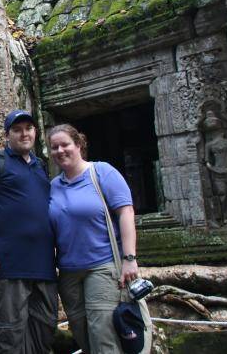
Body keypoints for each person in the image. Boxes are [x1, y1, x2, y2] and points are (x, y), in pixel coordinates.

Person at [47, 124, 151, 354]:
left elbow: (126, 212)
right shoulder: (53, 186)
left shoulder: (101, 172)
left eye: (65, 144)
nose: (60, 151)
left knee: (103, 333)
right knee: (82, 333)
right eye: (54, 147)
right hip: (68, 272)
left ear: (79, 145)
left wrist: (130, 258)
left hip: (102, 265)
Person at [0, 110, 57, 354]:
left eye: (28, 128)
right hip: (6, 265)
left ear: (35, 132)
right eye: (17, 130)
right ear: (7, 135)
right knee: (8, 336)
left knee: (44, 330)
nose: (24, 133)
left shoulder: (41, 167)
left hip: (43, 266)